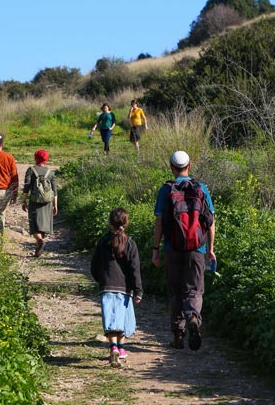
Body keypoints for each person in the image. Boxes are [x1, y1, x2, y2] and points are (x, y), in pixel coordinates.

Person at [152, 151, 216, 351]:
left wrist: (155, 249)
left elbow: (160, 222)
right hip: (197, 247)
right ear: (190, 165)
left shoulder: (166, 190)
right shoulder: (201, 188)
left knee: (175, 290)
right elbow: (211, 222)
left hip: (172, 247)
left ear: (171, 167)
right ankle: (194, 318)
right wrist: (210, 250)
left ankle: (178, 335)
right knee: (194, 289)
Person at [91, 208, 143, 368]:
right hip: (124, 288)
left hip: (106, 285)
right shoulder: (130, 243)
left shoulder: (103, 241)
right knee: (121, 318)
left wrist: (100, 279)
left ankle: (113, 347)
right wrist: (138, 290)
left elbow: (94, 264)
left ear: (110, 222)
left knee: (110, 318)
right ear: (126, 222)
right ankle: (120, 349)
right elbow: (135, 269)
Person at [21, 149, 57, 257]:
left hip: (34, 201)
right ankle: (39, 244)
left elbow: (26, 186)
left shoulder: (31, 170)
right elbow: (54, 191)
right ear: (46, 159)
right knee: (44, 224)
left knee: (34, 224)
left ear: (35, 157)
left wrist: (23, 200)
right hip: (47, 202)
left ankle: (39, 241)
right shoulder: (50, 172)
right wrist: (55, 205)